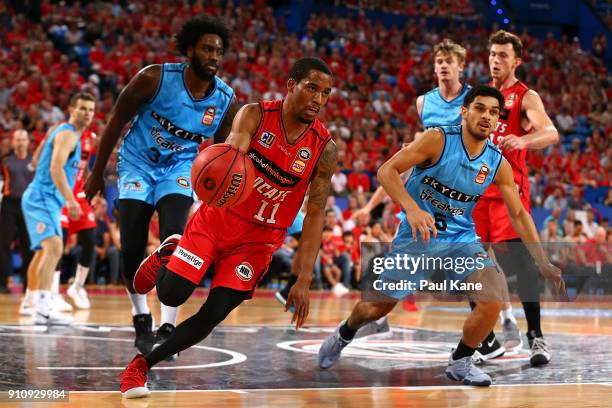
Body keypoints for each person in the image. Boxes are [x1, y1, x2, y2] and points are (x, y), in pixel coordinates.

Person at [317, 85, 564, 386]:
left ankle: (460, 361)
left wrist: (542, 260)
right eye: (480, 108)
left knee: (493, 296)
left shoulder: (497, 162)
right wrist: (412, 209)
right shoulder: (437, 139)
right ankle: (345, 332)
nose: (487, 116)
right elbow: (386, 171)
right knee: (375, 307)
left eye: (494, 112)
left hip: (461, 239)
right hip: (416, 239)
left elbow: (519, 214)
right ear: (464, 111)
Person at [118, 57, 336, 399]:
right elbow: (229, 157)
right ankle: (169, 252)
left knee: (214, 313)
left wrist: (304, 278)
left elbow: (315, 213)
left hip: (258, 243)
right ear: (291, 85)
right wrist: (230, 168)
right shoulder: (254, 114)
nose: (318, 99)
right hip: (218, 222)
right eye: (312, 88)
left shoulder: (324, 149)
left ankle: (142, 365)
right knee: (170, 294)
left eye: (326, 93)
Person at [84, 17, 238, 355]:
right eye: (207, 48)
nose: (214, 55)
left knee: (174, 240)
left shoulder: (225, 99)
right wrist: (97, 174)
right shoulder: (153, 79)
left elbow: (223, 152)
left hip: (179, 169)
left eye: (219, 51)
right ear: (189, 50)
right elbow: (116, 121)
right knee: (132, 253)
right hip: (137, 163)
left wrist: (223, 192)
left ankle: (168, 322)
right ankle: (142, 319)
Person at [351, 38, 472, 334]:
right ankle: (381, 315)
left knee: (471, 265)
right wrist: (368, 206)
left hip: (459, 191)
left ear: (461, 66)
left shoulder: (472, 100)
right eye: (439, 61)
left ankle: (490, 332)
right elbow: (397, 172)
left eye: (449, 61)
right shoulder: (424, 102)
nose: (443, 66)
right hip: (427, 189)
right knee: (403, 253)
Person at [473, 30, 560, 366]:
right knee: (470, 265)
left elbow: (550, 132)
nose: (496, 60)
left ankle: (536, 336)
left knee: (521, 266)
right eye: (493, 54)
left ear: (517, 60)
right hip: (476, 193)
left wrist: (524, 141)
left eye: (503, 55)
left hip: (509, 192)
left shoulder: (525, 96)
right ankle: (482, 338)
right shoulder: (481, 95)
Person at [21, 92, 96, 325]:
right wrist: (71, 200)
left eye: (91, 110)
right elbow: (55, 168)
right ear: (71, 109)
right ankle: (44, 307)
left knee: (44, 252)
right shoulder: (67, 134)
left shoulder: (64, 131)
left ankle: (32, 300)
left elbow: (38, 158)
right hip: (43, 197)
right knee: (55, 246)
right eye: (82, 108)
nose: (87, 113)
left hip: (49, 199)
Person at [0, 130, 34, 294]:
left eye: (23, 139)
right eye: (17, 139)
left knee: (29, 245)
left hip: (28, 206)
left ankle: (28, 284)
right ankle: (3, 283)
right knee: (4, 244)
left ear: (28, 142)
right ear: (13, 142)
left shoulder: (34, 161)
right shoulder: (5, 161)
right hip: (9, 204)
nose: (20, 142)